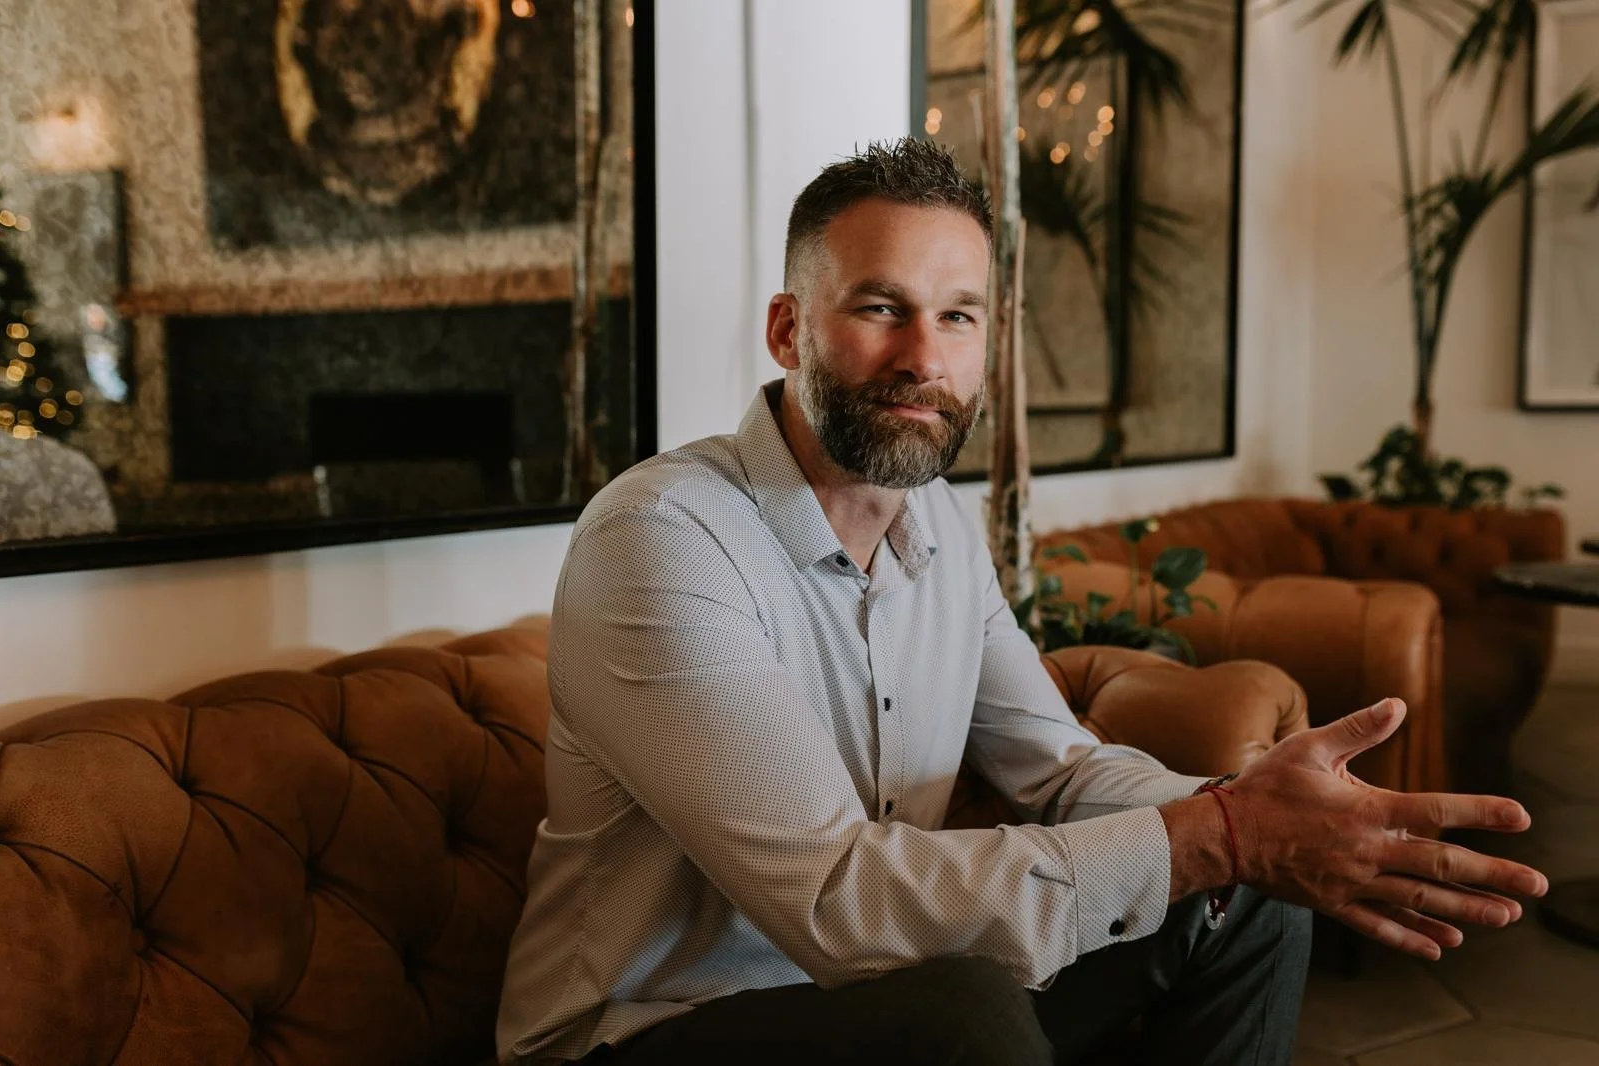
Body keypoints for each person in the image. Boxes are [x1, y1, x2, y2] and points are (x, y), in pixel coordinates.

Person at [495, 138, 1548, 1065]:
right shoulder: (662, 539)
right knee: (960, 1011)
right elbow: (836, 902)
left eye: (957, 316)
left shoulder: (937, 524)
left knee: (1241, 910)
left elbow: (1059, 766)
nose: (923, 357)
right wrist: (1218, 832)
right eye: (878, 307)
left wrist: (1253, 812)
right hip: (648, 1029)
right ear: (786, 329)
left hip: (865, 994)